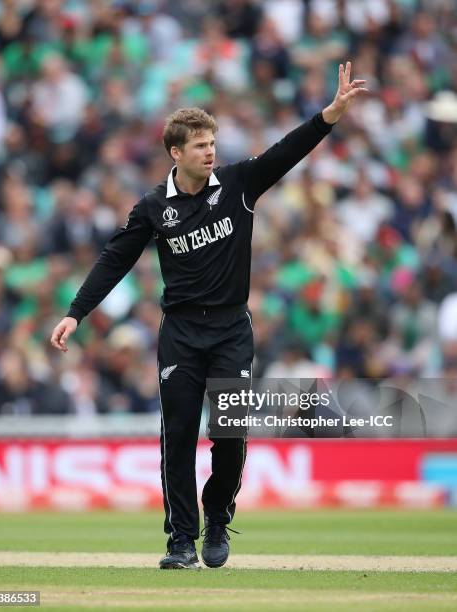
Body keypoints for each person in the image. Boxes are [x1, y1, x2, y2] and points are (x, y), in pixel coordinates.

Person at [51, 62, 367, 569]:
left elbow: (287, 152)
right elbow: (115, 259)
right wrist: (75, 313)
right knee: (177, 436)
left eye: (212, 142)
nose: (210, 151)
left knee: (229, 432)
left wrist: (328, 115)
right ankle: (180, 542)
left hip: (230, 330)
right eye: (200, 145)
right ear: (176, 152)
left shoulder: (239, 183)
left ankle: (217, 516)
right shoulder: (154, 206)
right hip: (179, 332)